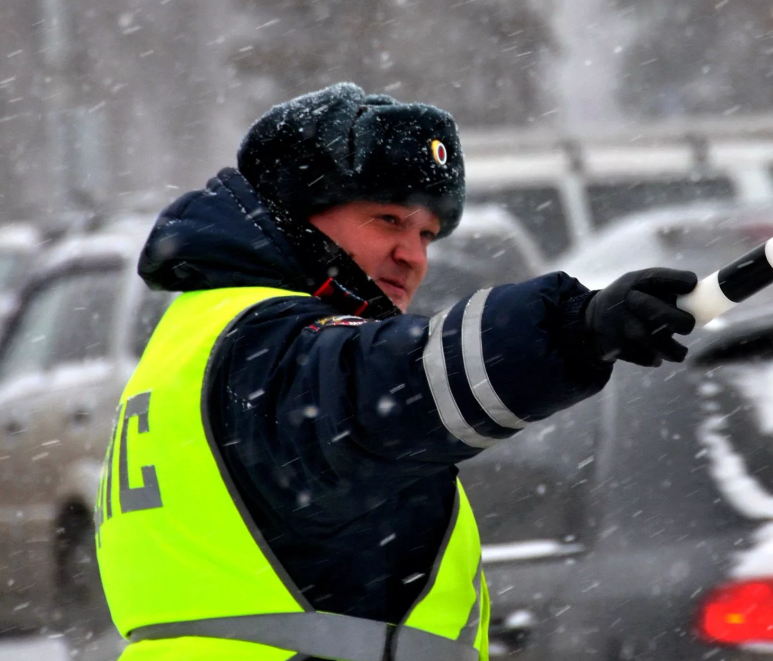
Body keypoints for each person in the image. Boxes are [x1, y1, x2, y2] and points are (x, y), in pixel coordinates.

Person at [94, 82, 698, 661]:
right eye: (387, 220)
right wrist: (573, 327)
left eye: (428, 233)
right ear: (295, 215)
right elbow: (390, 383)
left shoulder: (204, 335)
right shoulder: (267, 344)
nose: (413, 255)